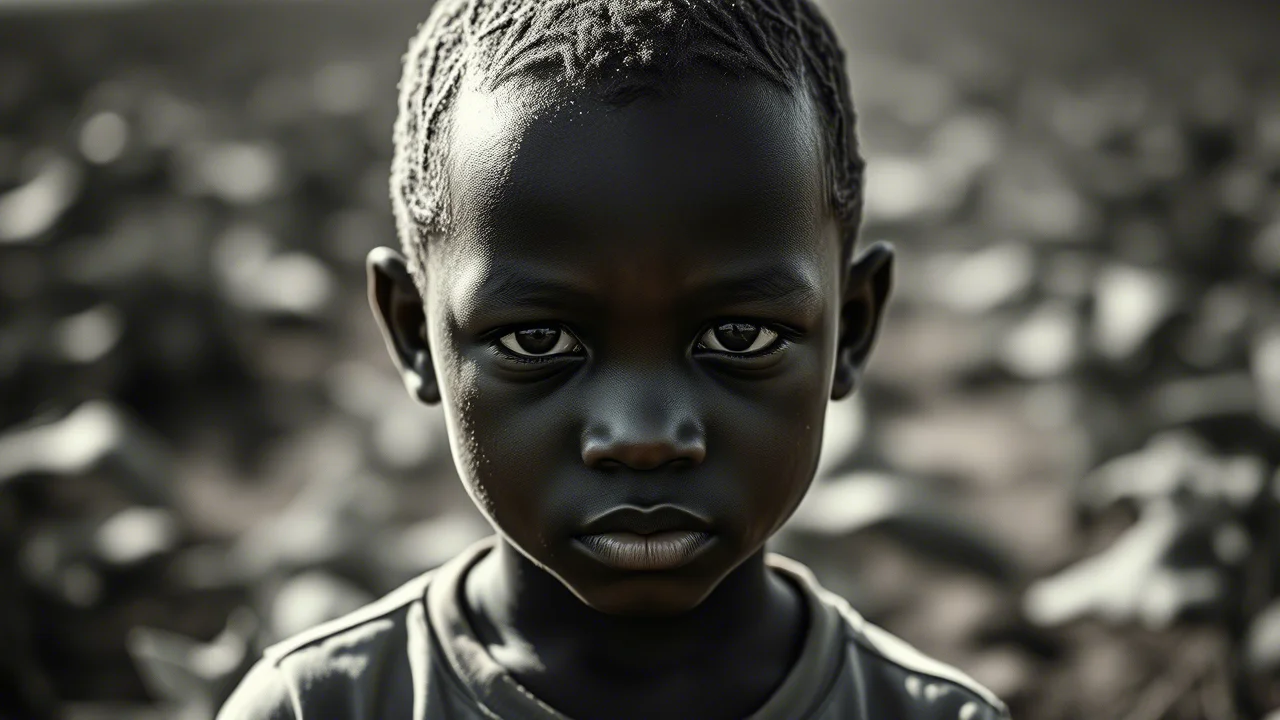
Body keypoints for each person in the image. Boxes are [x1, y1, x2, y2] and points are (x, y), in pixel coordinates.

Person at [218, 0, 1010, 717]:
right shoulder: (314, 709)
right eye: (539, 341)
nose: (644, 436)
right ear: (414, 332)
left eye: (738, 338)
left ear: (854, 326)